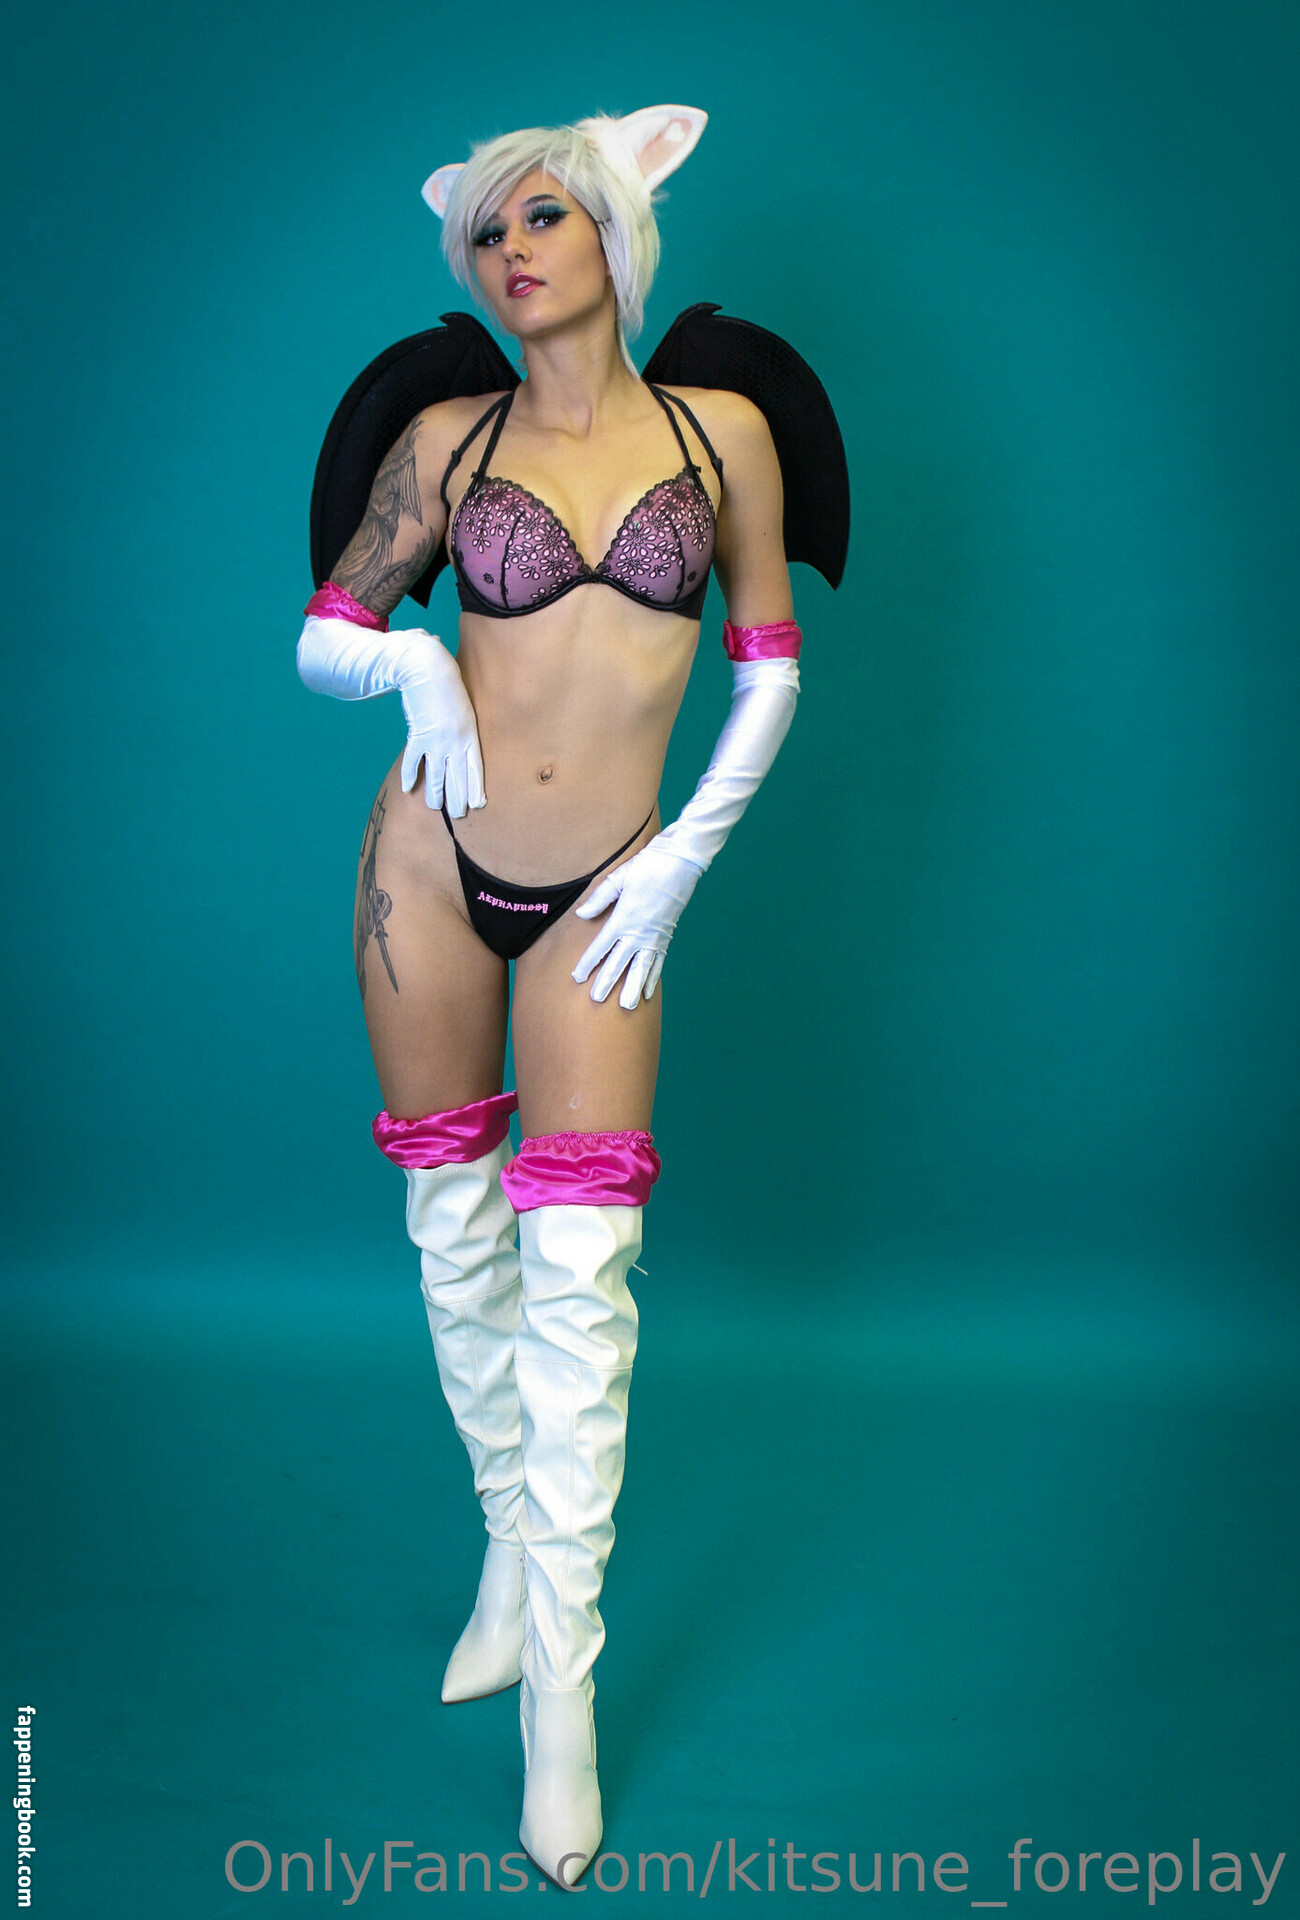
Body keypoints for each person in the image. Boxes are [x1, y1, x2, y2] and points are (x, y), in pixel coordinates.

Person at [296, 106, 805, 1890]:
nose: (513, 252)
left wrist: (680, 862)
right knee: (456, 1231)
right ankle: (509, 1548)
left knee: (583, 1269)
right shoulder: (447, 439)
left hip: (609, 881)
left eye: (543, 219)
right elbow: (322, 630)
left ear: (611, 228)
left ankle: (562, 1697)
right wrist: (415, 667)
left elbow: (769, 668)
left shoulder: (724, 432)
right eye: (488, 233)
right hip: (430, 863)